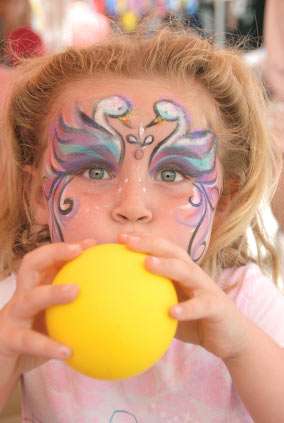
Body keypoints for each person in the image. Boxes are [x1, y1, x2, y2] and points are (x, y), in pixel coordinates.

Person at [0, 26, 283, 423]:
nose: (132, 207)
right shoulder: (26, 303)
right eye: (95, 170)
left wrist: (241, 348)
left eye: (172, 174)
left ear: (222, 203)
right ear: (37, 195)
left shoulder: (243, 303)